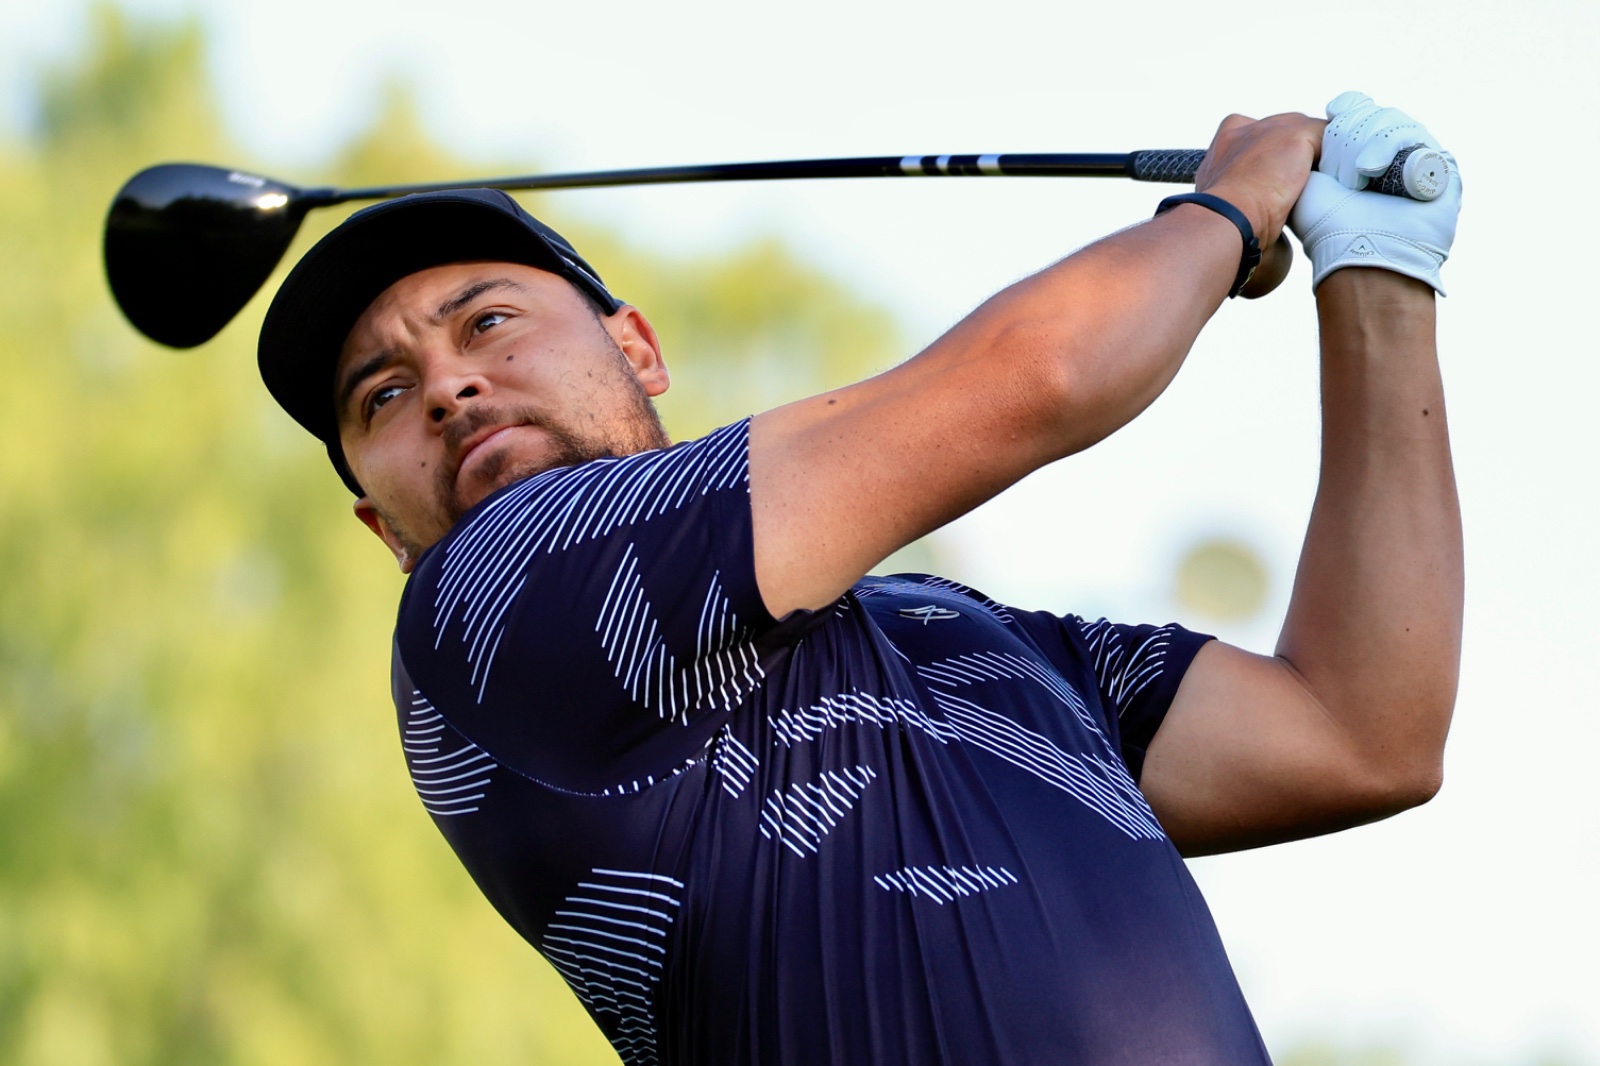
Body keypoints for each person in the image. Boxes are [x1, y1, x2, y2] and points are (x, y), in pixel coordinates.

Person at [256, 92, 1462, 1065]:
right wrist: (1225, 210)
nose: (449, 387)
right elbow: (1038, 378)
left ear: (636, 347)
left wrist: (1378, 269)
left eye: (486, 323)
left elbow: (1359, 733)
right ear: (383, 527)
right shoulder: (487, 599)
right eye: (385, 395)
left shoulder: (945, 629)